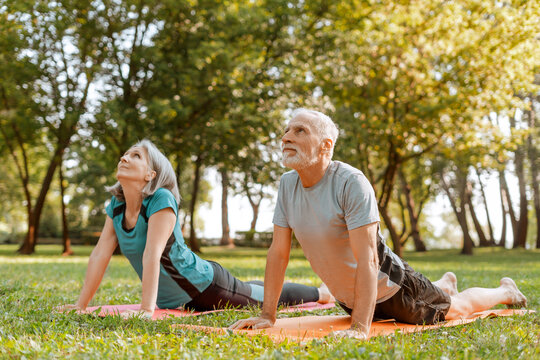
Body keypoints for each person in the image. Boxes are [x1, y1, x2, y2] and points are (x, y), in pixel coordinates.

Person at [230, 108, 527, 339]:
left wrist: (360, 328)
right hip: (350, 298)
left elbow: (369, 260)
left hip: (392, 289)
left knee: (456, 309)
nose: (286, 137)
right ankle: (442, 285)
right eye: (286, 130)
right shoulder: (287, 185)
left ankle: (505, 292)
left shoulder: (351, 183)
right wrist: (268, 315)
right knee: (438, 298)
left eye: (299, 130)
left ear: (325, 145)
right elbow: (278, 253)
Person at [58, 139, 333, 319]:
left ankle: (321, 293)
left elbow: (152, 255)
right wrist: (81, 306)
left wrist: (145, 311)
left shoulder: (161, 200)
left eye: (136, 156)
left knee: (261, 297)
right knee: (252, 288)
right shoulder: (115, 206)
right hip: (174, 298)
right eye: (125, 154)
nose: (124, 157)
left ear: (150, 175)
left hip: (204, 287)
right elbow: (99, 256)